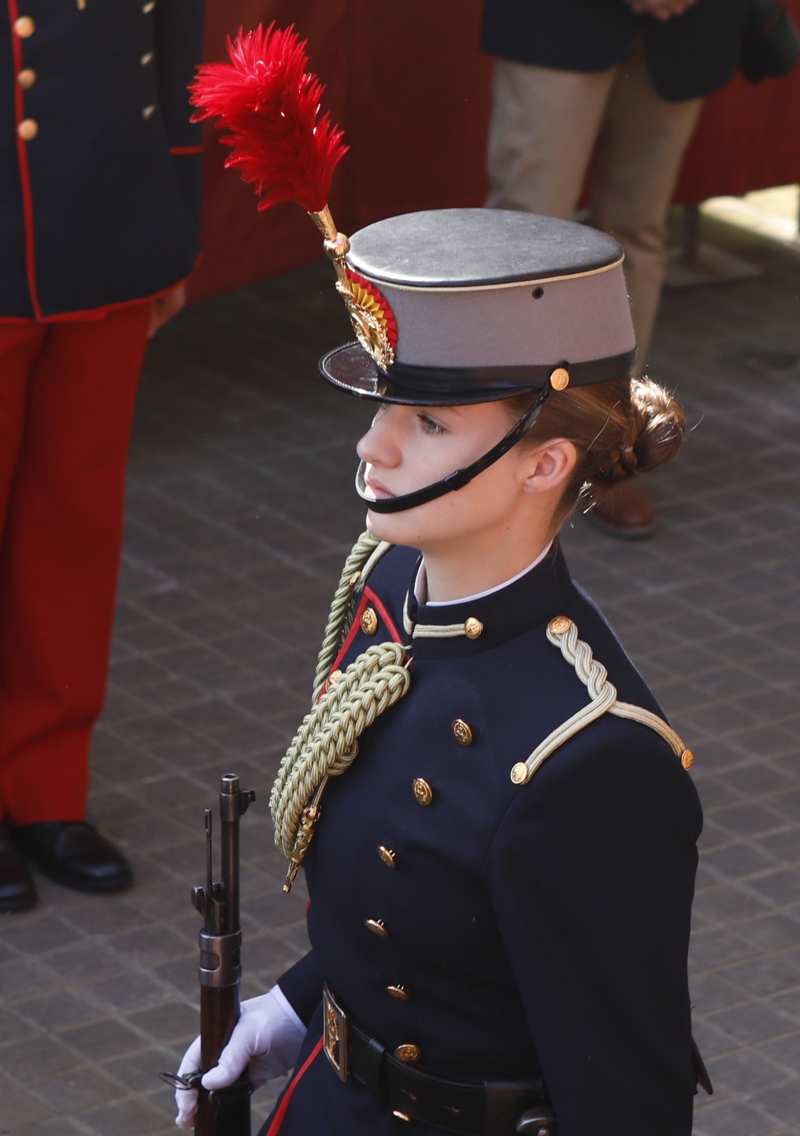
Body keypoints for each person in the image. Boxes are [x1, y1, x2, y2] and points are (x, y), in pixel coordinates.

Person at [174, 207, 709, 1136]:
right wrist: (300, 1007)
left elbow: (628, 1098)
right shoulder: (387, 579)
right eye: (384, 408)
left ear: (544, 463)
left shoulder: (590, 755)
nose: (373, 447)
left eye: (427, 422)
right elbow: (417, 904)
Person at [0, 1, 204, 913]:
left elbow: (174, 44)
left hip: (105, 227)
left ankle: (45, 790)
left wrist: (170, 228)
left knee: (72, 530)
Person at [482, 0, 749, 537]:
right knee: (527, 242)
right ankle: (494, 440)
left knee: (637, 234)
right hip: (557, 23)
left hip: (683, 26)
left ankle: (609, 444)